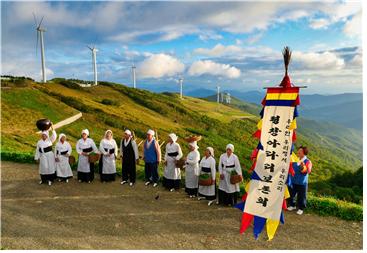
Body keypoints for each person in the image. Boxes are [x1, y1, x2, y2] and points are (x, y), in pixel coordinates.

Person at [288, 146, 312, 215]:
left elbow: (308, 171)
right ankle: (292, 205)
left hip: (302, 182)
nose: (298, 152)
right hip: (293, 180)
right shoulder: (295, 160)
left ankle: (301, 208)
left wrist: (303, 167)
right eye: (298, 150)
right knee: (291, 194)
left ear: (304, 153)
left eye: (300, 151)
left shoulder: (308, 161)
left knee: (301, 196)